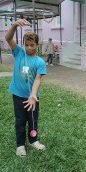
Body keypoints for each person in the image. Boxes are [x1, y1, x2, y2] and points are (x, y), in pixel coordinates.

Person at [5, 19, 46, 157]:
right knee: (20, 120)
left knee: (33, 119)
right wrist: (15, 25)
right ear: (24, 44)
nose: (29, 48)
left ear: (37, 45)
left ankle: (33, 140)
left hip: (32, 98)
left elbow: (38, 79)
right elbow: (8, 38)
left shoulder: (40, 62)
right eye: (27, 45)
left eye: (32, 45)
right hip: (17, 95)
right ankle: (20, 145)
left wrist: (33, 95)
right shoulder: (19, 53)